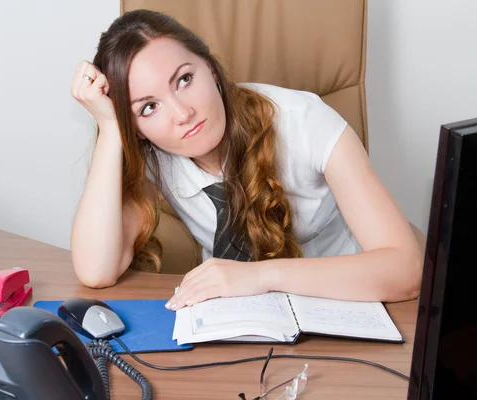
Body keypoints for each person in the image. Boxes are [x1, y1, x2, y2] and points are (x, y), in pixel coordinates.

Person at [70, 9, 422, 311]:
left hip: (348, 301)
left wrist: (261, 277)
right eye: (148, 107)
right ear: (138, 130)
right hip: (238, 315)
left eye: (185, 79)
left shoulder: (304, 120)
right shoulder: (154, 154)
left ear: (209, 68)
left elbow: (405, 270)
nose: (182, 113)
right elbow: (96, 271)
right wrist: (110, 126)